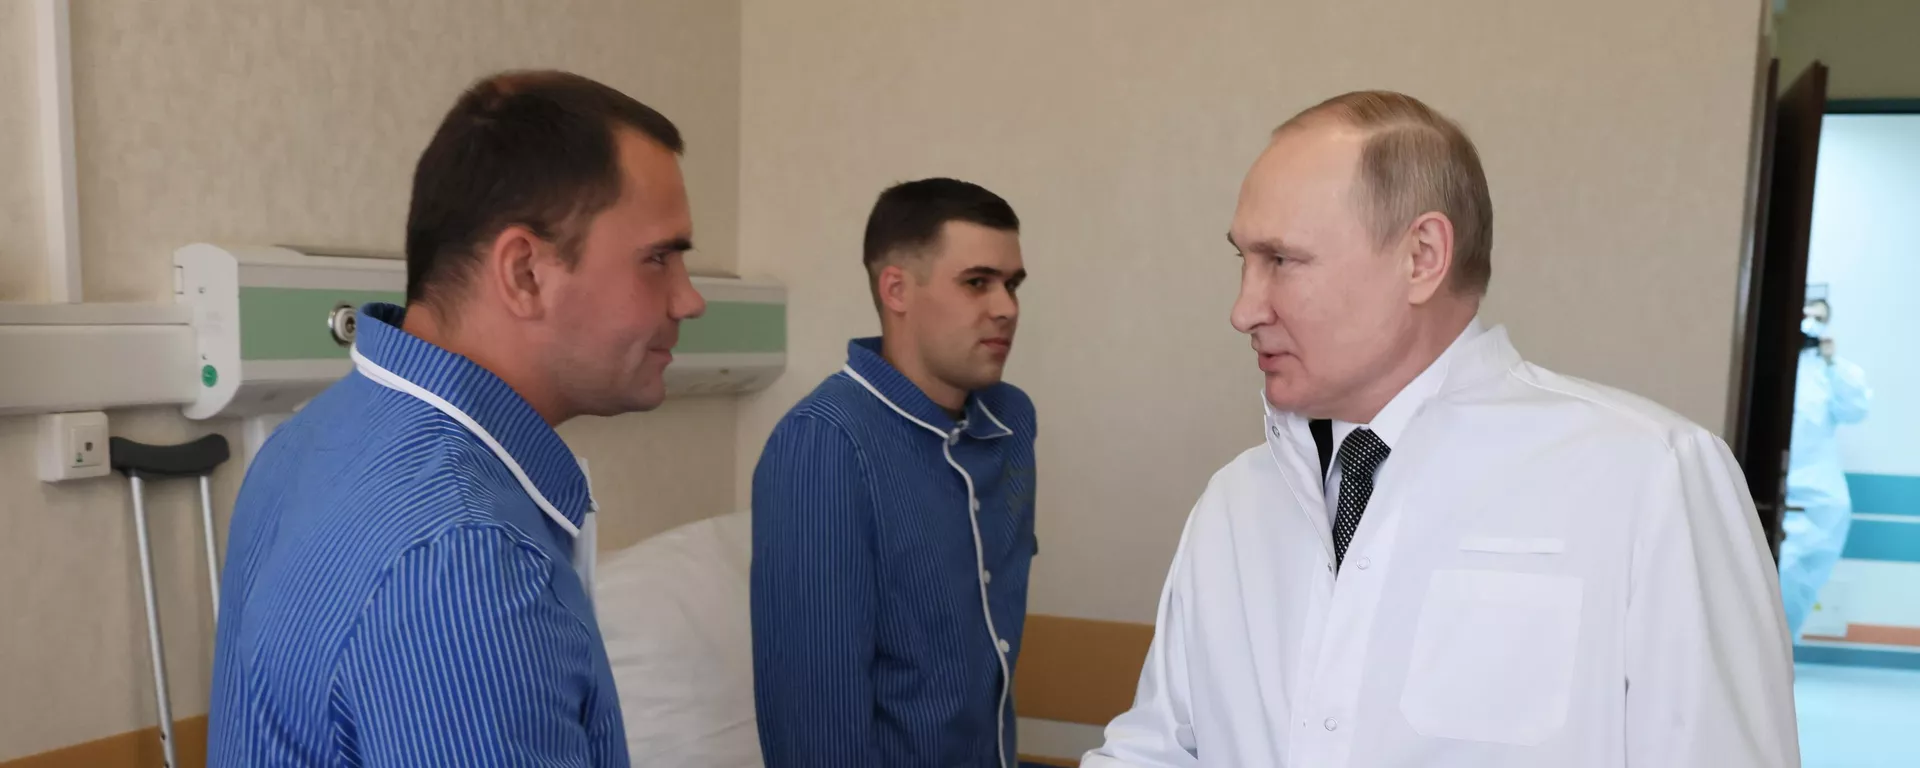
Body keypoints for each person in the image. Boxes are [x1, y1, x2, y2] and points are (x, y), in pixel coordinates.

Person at [1083, 91, 1799, 767]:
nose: (1244, 309)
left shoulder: (1650, 477)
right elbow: (1159, 749)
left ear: (1421, 257)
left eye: (1282, 261)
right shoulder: (1234, 502)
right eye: (1243, 260)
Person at [208, 70, 705, 766]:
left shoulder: (311, 440)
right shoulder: (465, 555)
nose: (689, 300)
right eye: (658, 259)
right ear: (525, 272)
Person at [751, 178, 1037, 768]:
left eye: (1012, 284)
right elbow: (815, 724)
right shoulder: (826, 443)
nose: (1007, 307)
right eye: (977, 282)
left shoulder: (1010, 422)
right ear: (897, 289)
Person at [1779, 298, 1871, 638]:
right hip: (1773, 489)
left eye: (1819, 316)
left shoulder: (1830, 371)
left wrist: (1832, 361)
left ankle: (1781, 652)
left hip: (1817, 501)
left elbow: (1856, 409)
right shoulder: (1771, 362)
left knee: (1793, 588)